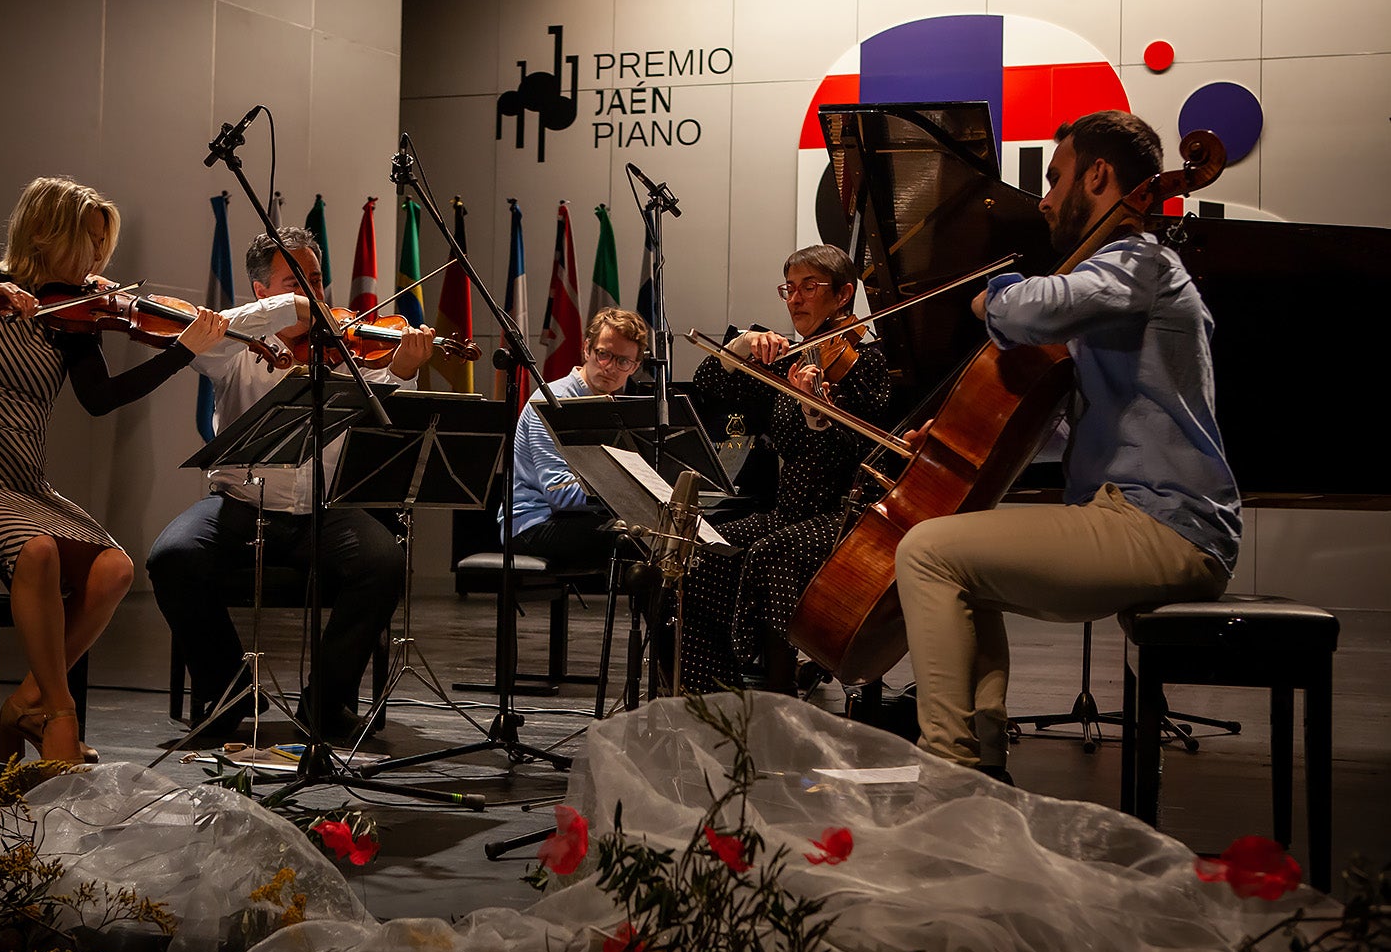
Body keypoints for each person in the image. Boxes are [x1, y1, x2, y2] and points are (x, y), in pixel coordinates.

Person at [895, 110, 1242, 781]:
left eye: (1054, 179)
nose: (1046, 199)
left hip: (1162, 525)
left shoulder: (1141, 260)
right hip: (1136, 517)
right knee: (964, 563)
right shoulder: (1130, 282)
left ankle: (945, 770)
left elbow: (1033, 309)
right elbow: (1066, 437)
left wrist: (991, 298)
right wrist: (948, 441)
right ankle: (981, 770)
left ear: (1099, 174)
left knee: (927, 551)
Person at [0, 176, 229, 764]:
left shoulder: (70, 320)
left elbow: (100, 399)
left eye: (105, 246)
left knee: (113, 570)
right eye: (91, 243)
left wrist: (184, 352)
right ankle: (59, 714)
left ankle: (26, 703)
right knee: (39, 552)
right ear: (46, 234)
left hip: (23, 485)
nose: (100, 259)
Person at [146, 226, 435, 744]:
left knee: (383, 561)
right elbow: (196, 333)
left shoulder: (346, 344)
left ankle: (326, 701)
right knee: (171, 557)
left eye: (317, 280)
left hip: (324, 510)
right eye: (294, 280)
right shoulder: (231, 343)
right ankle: (230, 687)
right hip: (239, 503)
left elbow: (387, 397)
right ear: (261, 290)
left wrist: (406, 369)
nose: (313, 292)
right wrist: (290, 311)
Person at [677, 244, 892, 694]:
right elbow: (707, 390)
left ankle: (781, 694)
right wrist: (737, 346)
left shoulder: (868, 363)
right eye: (788, 289)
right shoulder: (790, 360)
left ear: (843, 295)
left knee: (773, 554)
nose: (794, 299)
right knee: (699, 552)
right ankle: (713, 701)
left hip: (848, 516)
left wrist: (818, 415)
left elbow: (867, 451)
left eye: (808, 287)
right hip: (790, 512)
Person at [506, 307, 651, 567]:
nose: (610, 368)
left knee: (666, 537)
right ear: (587, 349)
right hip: (533, 522)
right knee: (642, 541)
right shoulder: (553, 401)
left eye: (623, 362)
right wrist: (630, 497)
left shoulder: (611, 406)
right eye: (603, 354)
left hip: (575, 518)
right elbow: (558, 493)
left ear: (635, 367)